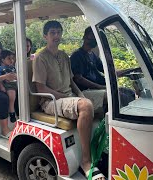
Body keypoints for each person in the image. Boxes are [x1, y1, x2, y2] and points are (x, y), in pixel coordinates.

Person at [32, 21, 105, 180]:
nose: (56, 36)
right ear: (45, 36)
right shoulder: (40, 57)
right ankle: (86, 162)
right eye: (52, 33)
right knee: (85, 106)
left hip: (69, 96)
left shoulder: (64, 55)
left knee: (109, 97)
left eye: (58, 32)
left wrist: (81, 96)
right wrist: (72, 98)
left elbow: (72, 82)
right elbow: (41, 90)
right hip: (50, 101)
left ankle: (102, 147)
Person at [70, 27, 135, 107]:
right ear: (85, 37)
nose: (95, 38)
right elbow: (78, 79)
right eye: (92, 35)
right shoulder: (77, 55)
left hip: (98, 88)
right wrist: (100, 87)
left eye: (96, 36)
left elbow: (108, 71)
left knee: (130, 92)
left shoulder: (93, 55)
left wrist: (129, 71)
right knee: (120, 96)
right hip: (86, 91)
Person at [0, 50, 17, 123]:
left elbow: (16, 76)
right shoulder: (0, 68)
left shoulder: (12, 67)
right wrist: (1, 87)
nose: (11, 60)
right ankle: (12, 113)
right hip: (8, 85)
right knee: (12, 97)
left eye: (12, 58)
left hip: (15, 84)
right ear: (3, 60)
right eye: (9, 58)